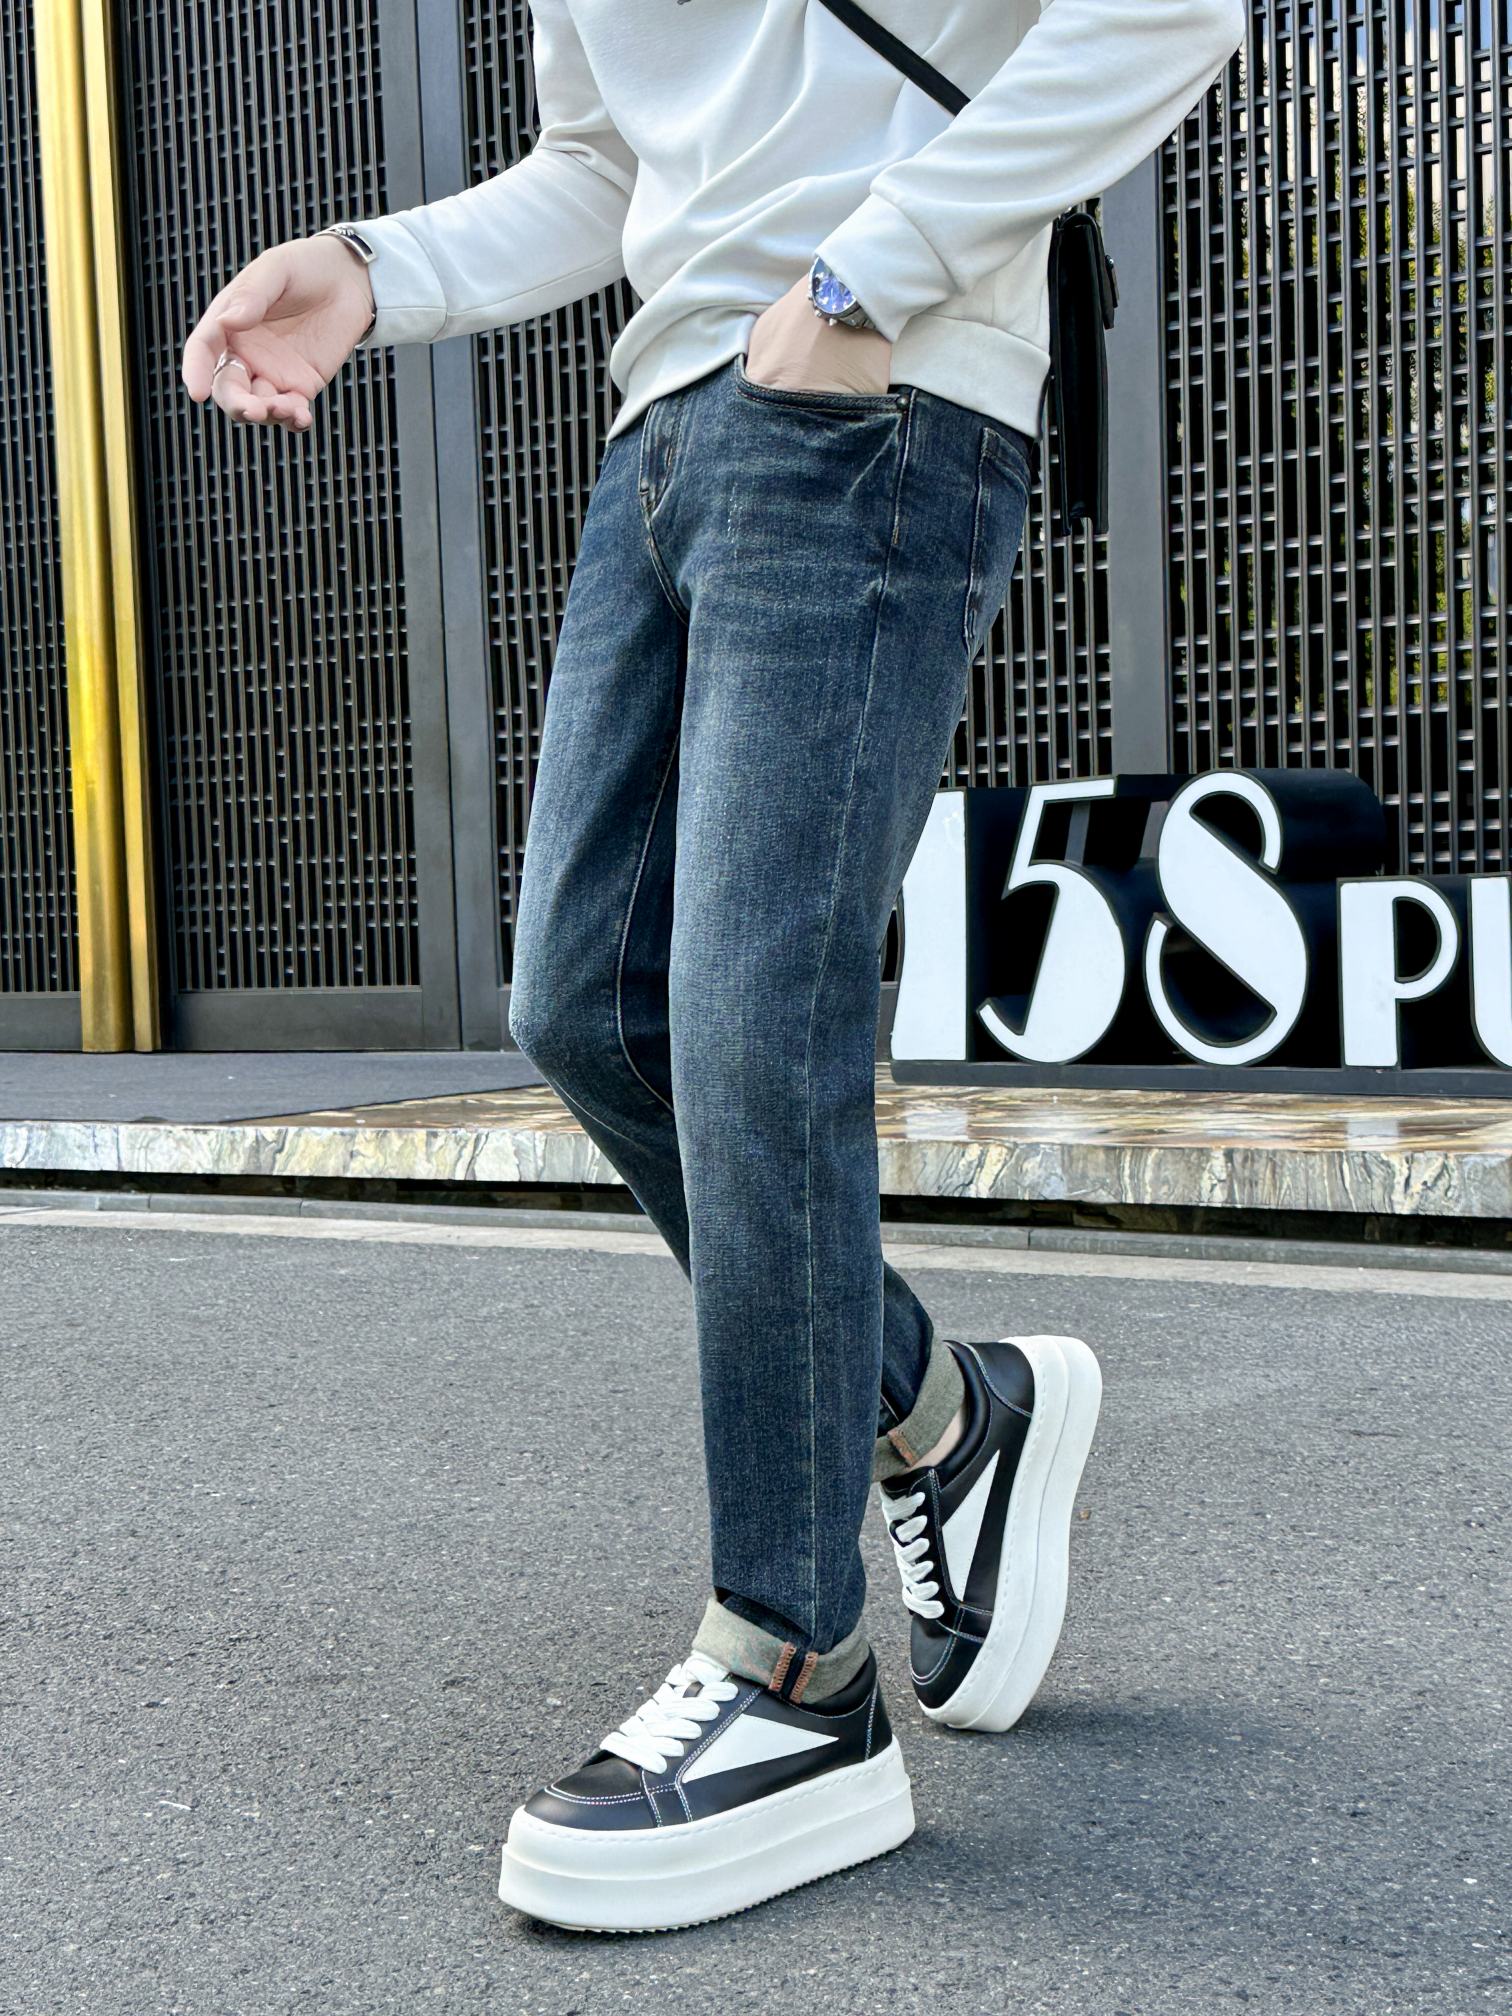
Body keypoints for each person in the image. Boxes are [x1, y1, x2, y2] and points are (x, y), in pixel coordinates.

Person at [183, 0, 1246, 1933]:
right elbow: (609, 168)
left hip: (876, 394)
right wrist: (368, 268)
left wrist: (866, 277)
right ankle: (948, 1416)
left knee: (757, 1019)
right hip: (666, 424)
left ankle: (797, 1672)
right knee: (588, 1007)